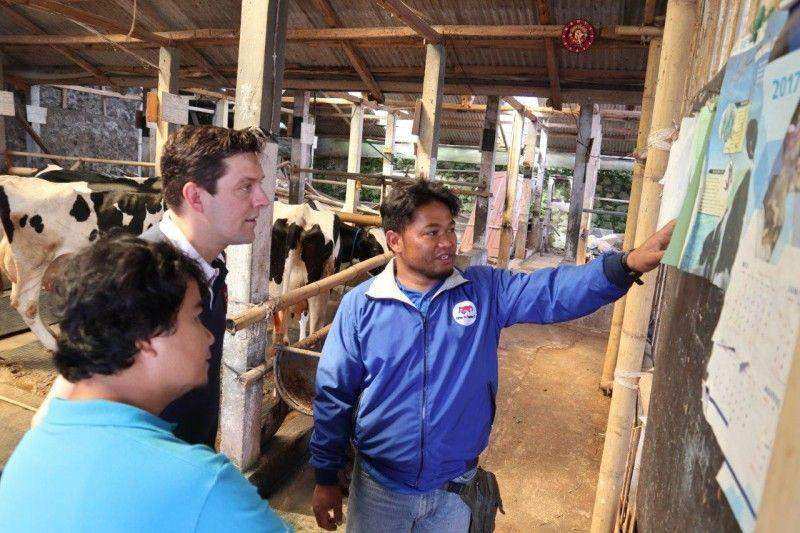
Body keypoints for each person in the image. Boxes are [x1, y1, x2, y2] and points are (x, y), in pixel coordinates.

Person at [310, 180, 675, 532]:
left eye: (451, 230)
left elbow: (552, 291)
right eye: (432, 232)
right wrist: (326, 476)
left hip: (454, 489)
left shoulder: (483, 291)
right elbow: (333, 394)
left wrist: (624, 265)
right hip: (379, 490)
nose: (448, 242)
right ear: (395, 241)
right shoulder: (361, 306)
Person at [0, 235, 290, 532]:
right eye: (196, 317)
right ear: (146, 335)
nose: (210, 335)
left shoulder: (24, 460)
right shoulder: (202, 485)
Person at [32, 125, 270, 447]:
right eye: (246, 187)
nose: (263, 200)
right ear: (195, 197)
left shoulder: (209, 267)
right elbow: (55, 414)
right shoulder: (136, 279)